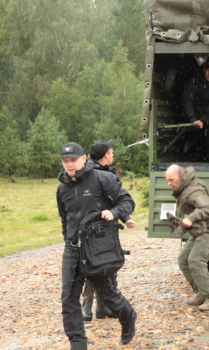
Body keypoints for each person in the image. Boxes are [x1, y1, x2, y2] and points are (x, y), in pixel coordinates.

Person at [57, 142, 137, 349]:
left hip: (99, 249)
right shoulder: (62, 188)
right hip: (73, 250)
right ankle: (78, 343)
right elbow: (65, 218)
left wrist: (115, 213)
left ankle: (127, 316)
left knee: (108, 295)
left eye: (73, 160)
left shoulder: (103, 179)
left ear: (84, 158)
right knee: (68, 300)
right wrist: (69, 240)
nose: (69, 165)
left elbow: (127, 202)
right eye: (65, 161)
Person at [81, 139, 136, 322]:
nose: (113, 155)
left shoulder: (101, 173)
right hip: (94, 230)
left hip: (102, 228)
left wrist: (124, 217)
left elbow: (112, 200)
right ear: (106, 155)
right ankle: (86, 309)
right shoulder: (93, 174)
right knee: (94, 267)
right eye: (112, 153)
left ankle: (103, 308)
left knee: (107, 265)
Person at [165, 164, 209, 311]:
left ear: (180, 176)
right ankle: (201, 292)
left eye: (171, 180)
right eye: (167, 180)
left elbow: (208, 208)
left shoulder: (194, 190)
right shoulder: (185, 187)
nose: (169, 183)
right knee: (183, 259)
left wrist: (191, 218)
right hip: (202, 229)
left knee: (196, 260)